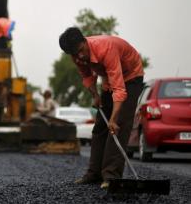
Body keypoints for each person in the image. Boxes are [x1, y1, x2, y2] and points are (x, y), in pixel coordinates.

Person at [59, 27, 144, 189]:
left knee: (117, 125)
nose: (80, 56)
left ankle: (111, 176)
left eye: (81, 51)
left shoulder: (106, 48)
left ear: (85, 40)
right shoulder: (76, 55)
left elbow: (119, 89)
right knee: (100, 128)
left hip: (131, 76)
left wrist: (113, 119)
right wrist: (95, 96)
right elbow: (87, 76)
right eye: (75, 54)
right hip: (109, 77)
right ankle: (94, 173)